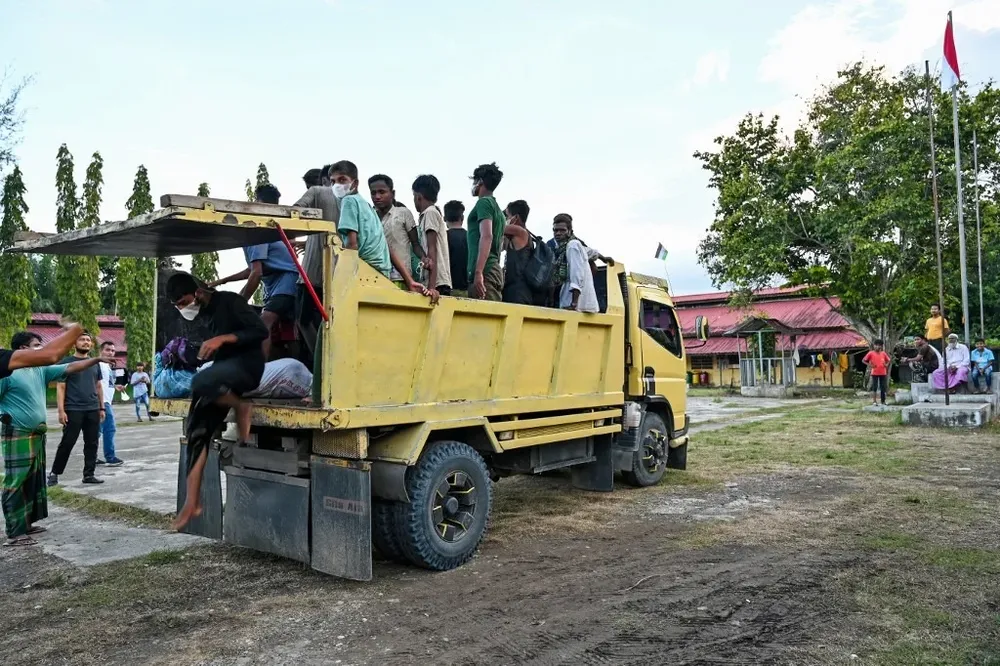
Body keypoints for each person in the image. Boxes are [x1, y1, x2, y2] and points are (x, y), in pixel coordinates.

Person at [165, 272, 269, 530]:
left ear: (197, 293)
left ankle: (240, 404)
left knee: (199, 382)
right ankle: (192, 502)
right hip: (224, 374)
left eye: (182, 302)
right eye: (177, 306)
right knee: (196, 429)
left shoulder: (230, 302)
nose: (182, 309)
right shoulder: (203, 314)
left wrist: (222, 338)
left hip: (248, 368)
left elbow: (260, 330)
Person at [1, 332, 103, 547]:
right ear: (21, 349)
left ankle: (27, 523)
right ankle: (15, 532)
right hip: (18, 432)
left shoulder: (39, 370)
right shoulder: (7, 373)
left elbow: (70, 368)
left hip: (37, 434)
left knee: (33, 480)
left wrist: (96, 359)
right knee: (16, 482)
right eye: (37, 345)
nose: (41, 349)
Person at [329, 161, 431, 296]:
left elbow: (352, 246)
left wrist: (343, 279)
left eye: (342, 180)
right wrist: (410, 281)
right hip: (384, 273)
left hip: (367, 273)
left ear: (355, 183)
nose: (337, 185)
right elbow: (387, 246)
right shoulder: (367, 207)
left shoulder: (349, 201)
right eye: (333, 182)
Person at [293, 164, 341, 363]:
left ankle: (322, 363)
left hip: (312, 271)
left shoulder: (317, 192)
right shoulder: (353, 200)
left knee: (304, 320)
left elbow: (294, 212)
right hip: (339, 270)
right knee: (331, 319)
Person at [48, 332, 105, 487]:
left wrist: (102, 407)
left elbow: (98, 386)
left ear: (91, 345)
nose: (86, 342)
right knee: (67, 442)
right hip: (73, 409)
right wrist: (61, 411)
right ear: (74, 344)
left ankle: (89, 474)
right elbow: (61, 387)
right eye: (82, 339)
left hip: (93, 408)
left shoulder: (94, 363)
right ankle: (54, 473)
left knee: (92, 443)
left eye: (88, 340)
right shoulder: (66, 363)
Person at [370, 174, 429, 286]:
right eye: (373, 193)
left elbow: (415, 244)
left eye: (382, 192)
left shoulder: (403, 213)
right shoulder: (369, 217)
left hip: (401, 278)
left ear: (393, 193)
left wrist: (424, 258)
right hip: (375, 278)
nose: (377, 196)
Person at [467, 163, 506, 301]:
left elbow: (487, 236)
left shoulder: (483, 203)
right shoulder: (498, 211)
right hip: (491, 269)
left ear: (480, 182)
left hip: (485, 272)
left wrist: (478, 272)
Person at [552, 214, 602, 313]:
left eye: (562, 230)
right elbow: (590, 252)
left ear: (570, 232)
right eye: (555, 230)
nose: (558, 233)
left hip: (576, 305)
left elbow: (576, 274)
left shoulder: (572, 246)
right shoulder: (565, 247)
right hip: (580, 304)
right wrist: (605, 259)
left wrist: (574, 303)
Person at [412, 175, 452, 296]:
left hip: (438, 282)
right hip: (435, 281)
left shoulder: (430, 213)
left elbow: (432, 248)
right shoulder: (429, 214)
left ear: (418, 197)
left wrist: (431, 287)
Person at [501, 200, 541, 306]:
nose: (506, 219)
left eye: (508, 216)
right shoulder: (524, 234)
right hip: (520, 288)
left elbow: (494, 228)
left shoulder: (518, 231)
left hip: (517, 290)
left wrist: (499, 215)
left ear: (516, 218)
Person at [97, 341, 125, 467]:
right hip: (103, 402)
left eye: (113, 351)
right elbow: (96, 385)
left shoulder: (106, 366)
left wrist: (115, 386)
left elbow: (105, 383)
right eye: (107, 350)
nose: (110, 353)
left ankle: (92, 456)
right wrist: (101, 405)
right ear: (100, 351)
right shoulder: (100, 365)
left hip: (104, 401)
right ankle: (110, 456)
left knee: (97, 431)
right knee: (110, 429)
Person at [445, 200, 468, 296]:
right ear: (462, 218)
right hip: (468, 289)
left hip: (448, 289)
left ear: (444, 218)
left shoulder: (443, 237)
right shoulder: (470, 237)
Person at [863, 339, 891, 406]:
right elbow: (863, 360)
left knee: (883, 387)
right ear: (874, 345)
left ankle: (883, 401)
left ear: (881, 346)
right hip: (874, 373)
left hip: (883, 373)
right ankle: (874, 401)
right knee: (874, 387)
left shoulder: (883, 353)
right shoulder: (871, 353)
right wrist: (870, 365)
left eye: (879, 345)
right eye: (876, 345)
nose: (878, 347)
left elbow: (889, 360)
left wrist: (886, 365)